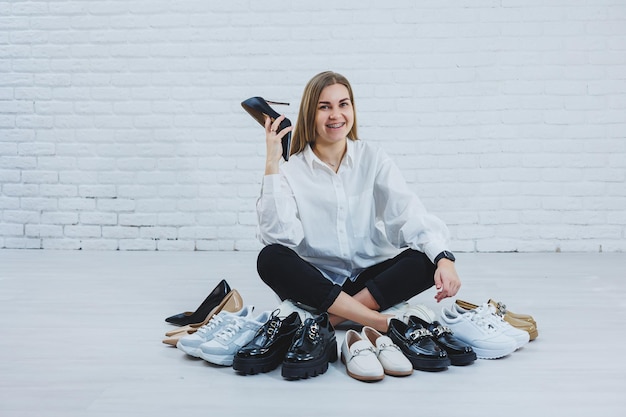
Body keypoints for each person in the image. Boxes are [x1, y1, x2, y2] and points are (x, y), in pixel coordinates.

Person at [256, 71, 461, 333]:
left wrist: (444, 259)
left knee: (426, 258)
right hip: (318, 283)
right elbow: (279, 236)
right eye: (324, 107)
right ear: (310, 113)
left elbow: (407, 214)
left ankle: (329, 321)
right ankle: (375, 320)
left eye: (343, 104)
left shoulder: (372, 157)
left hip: (370, 281)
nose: (336, 115)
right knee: (270, 258)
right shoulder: (290, 169)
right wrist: (272, 162)